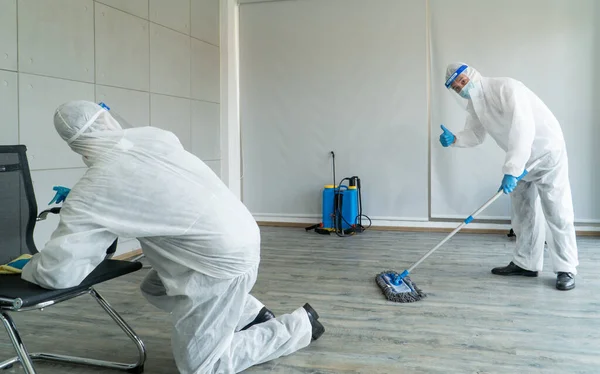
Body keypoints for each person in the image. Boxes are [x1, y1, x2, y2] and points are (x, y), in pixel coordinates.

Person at [21, 100, 325, 373]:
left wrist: (27, 266)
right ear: (106, 120)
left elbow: (59, 274)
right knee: (156, 289)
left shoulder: (97, 187)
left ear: (73, 144)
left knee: (203, 366)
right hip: (240, 235)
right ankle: (252, 314)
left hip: (218, 264)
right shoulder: (155, 137)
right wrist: (87, 202)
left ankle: (298, 327)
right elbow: (149, 186)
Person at [438, 62, 578, 291]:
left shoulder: (506, 88)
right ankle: (526, 263)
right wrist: (455, 139)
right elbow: (475, 133)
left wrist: (511, 170)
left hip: (546, 152)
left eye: (462, 81)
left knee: (557, 210)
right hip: (521, 158)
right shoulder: (475, 105)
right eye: (455, 87)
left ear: (472, 75)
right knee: (523, 212)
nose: (461, 87)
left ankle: (566, 268)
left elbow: (523, 129)